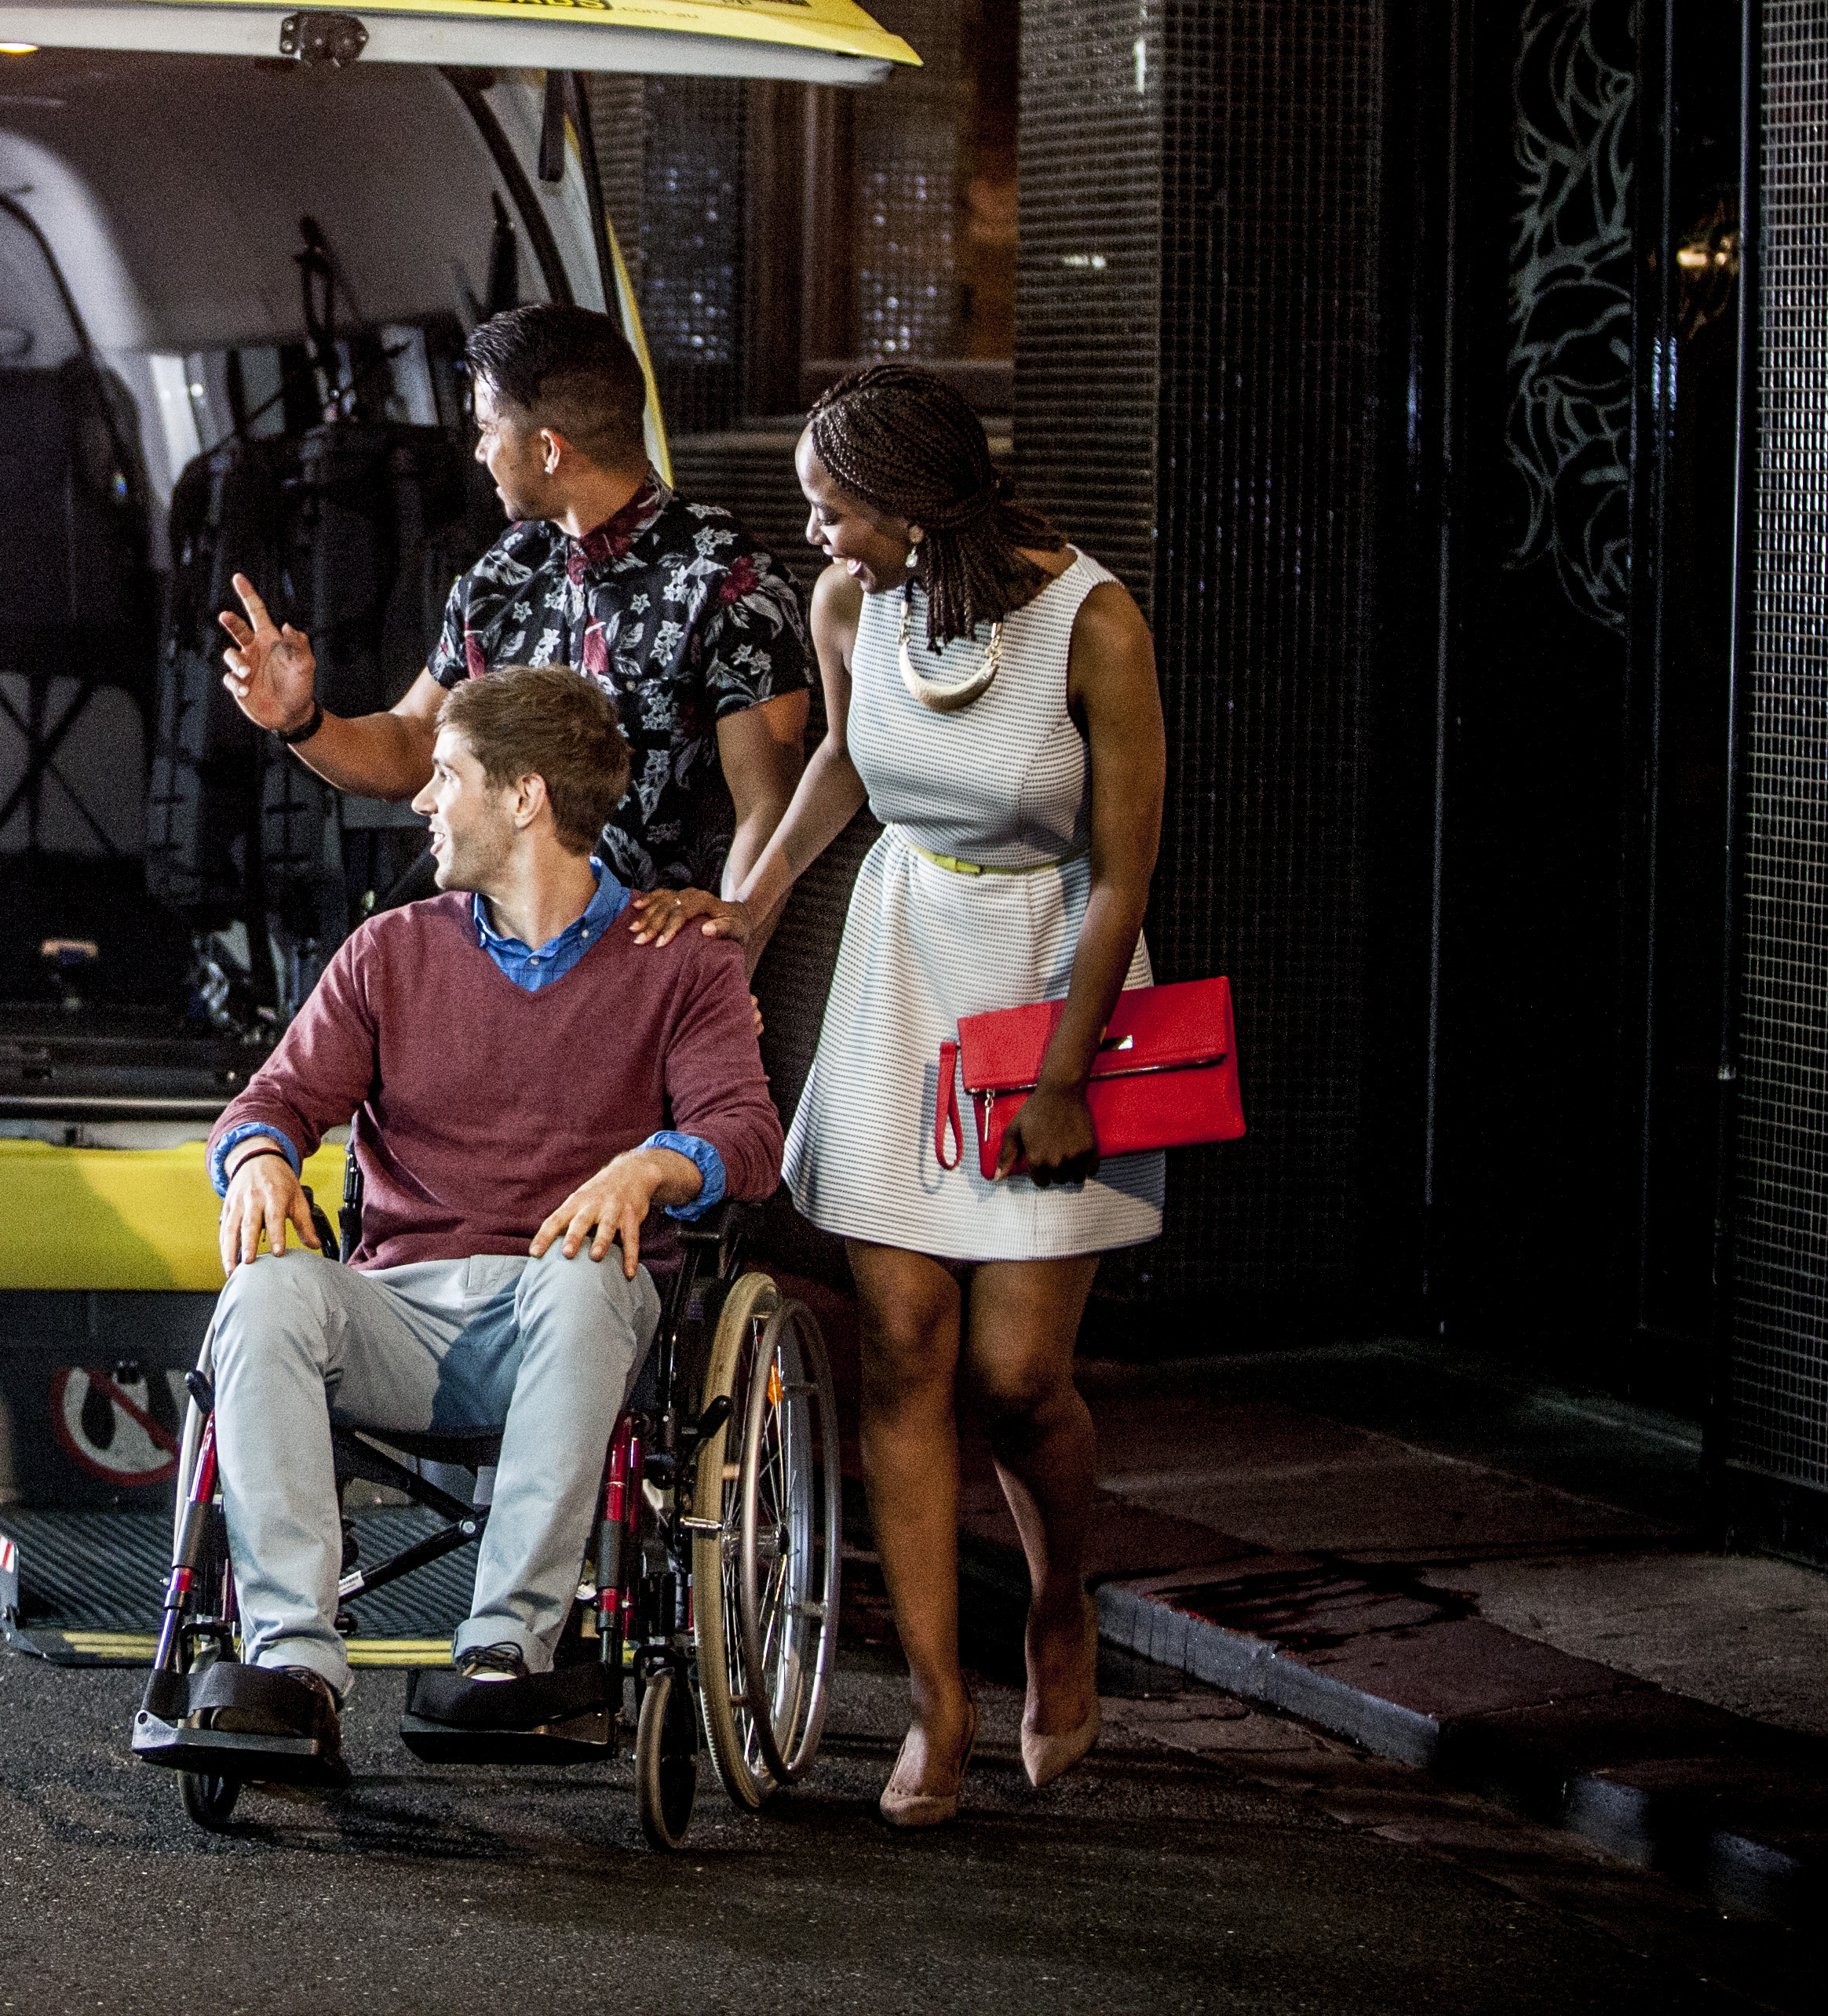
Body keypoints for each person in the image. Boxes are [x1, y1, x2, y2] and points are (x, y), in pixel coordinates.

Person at [644, 362, 1169, 1825]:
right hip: (900, 968)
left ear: (911, 501)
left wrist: (1068, 1072)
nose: (818, 537)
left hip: (1046, 972)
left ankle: (1060, 1605)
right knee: (899, 1337)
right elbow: (837, 768)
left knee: (1014, 1377)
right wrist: (749, 906)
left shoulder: (1095, 622)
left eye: (831, 510)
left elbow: (1125, 867)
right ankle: (938, 1704)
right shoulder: (850, 608)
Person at [173, 667, 781, 1774]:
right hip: (403, 1310)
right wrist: (258, 1158)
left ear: (525, 798)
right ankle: (293, 1662)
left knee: (590, 1271)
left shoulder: (679, 962)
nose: (421, 801)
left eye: (444, 775)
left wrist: (652, 1165)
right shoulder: (390, 952)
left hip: (573, 1316)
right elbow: (271, 1100)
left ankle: (506, 1651)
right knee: (264, 1291)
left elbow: (747, 1135)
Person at [217, 301, 809, 918]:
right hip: (499, 947)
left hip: (650, 955)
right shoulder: (503, 575)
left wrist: (720, 963)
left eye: (486, 429)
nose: (478, 453)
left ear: (549, 449)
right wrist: (300, 720)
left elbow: (767, 809)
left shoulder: (729, 580)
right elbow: (416, 742)